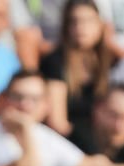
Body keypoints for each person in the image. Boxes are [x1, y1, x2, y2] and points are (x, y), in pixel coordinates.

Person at [41, 0, 116, 151]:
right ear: (66, 26)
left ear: (100, 25)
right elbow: (57, 122)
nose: (81, 27)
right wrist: (91, 149)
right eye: (74, 21)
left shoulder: (109, 61)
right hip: (69, 144)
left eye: (88, 21)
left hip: (107, 139)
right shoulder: (55, 61)